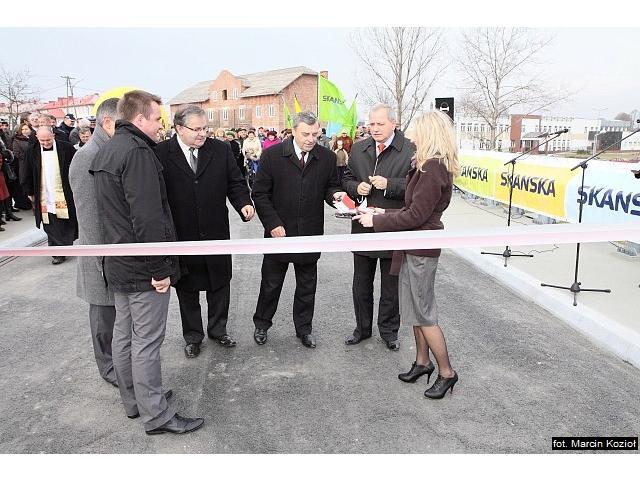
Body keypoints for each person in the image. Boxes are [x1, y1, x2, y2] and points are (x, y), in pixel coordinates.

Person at [89, 90, 203, 435]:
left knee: (125, 336)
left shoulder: (110, 148)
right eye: (156, 119)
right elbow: (148, 218)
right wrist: (160, 268)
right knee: (146, 342)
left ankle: (136, 400)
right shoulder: (137, 153)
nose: (160, 126)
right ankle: (157, 415)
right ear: (139, 119)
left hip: (120, 261)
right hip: (142, 267)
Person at [353, 110, 460, 399]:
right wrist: (381, 212)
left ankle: (447, 372)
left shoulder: (433, 167)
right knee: (414, 310)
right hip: (412, 245)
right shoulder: (427, 164)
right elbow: (412, 211)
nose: (412, 136)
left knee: (424, 314)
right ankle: (422, 363)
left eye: (417, 130)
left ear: (429, 134)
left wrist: (376, 221)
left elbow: (416, 216)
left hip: (421, 248)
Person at [156, 105, 254, 359]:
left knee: (219, 283)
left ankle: (218, 330)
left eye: (205, 129)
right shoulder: (161, 153)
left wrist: (244, 203)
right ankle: (193, 336)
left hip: (215, 230)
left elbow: (235, 182)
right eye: (197, 129)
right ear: (179, 128)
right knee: (187, 289)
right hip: (182, 233)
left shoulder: (220, 150)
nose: (202, 134)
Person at [251, 111, 345, 348]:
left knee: (307, 286)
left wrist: (336, 195)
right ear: (293, 131)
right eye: (305, 134)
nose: (311, 139)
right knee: (271, 284)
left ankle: (304, 329)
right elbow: (260, 194)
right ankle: (262, 324)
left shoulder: (326, 157)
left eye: (315, 134)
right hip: (278, 233)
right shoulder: (272, 155)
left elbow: (331, 186)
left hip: (310, 232)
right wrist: (273, 224)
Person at [341, 104, 415, 351]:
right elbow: (347, 178)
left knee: (390, 286)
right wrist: (356, 187)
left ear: (394, 123)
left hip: (393, 226)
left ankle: (389, 332)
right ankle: (362, 329)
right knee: (360, 285)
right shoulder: (359, 148)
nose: (374, 128)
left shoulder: (410, 150)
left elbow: (416, 188)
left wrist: (389, 184)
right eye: (371, 124)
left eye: (380, 124)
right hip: (363, 226)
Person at [68, 98, 120, 388]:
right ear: (108, 123)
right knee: (103, 317)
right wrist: (103, 259)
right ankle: (108, 367)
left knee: (116, 316)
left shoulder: (110, 150)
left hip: (113, 253)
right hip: (101, 255)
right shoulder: (87, 156)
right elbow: (88, 216)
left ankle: (120, 365)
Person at [21, 126, 77, 265]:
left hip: (64, 192)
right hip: (44, 194)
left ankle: (64, 246)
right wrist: (29, 192)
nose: (46, 143)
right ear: (37, 138)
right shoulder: (32, 151)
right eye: (42, 141)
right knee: (50, 223)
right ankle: (57, 252)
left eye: (48, 139)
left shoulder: (66, 148)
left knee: (65, 221)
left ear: (53, 135)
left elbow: (76, 167)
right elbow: (26, 171)